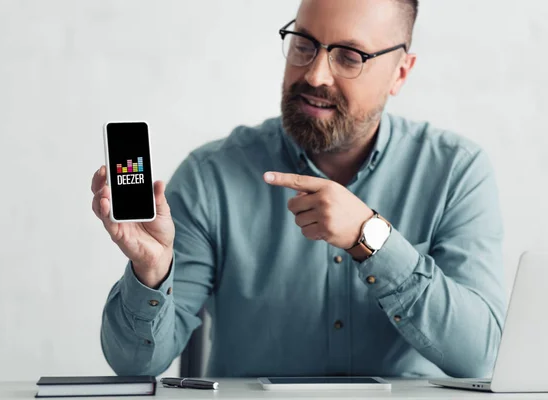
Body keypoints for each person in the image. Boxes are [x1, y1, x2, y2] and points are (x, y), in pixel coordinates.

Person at [91, 0, 506, 378]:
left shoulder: (456, 172)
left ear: (400, 73)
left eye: (349, 56)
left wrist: (371, 239)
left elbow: (479, 356)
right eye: (304, 44)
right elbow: (133, 365)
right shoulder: (211, 176)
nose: (314, 74)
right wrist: (151, 272)